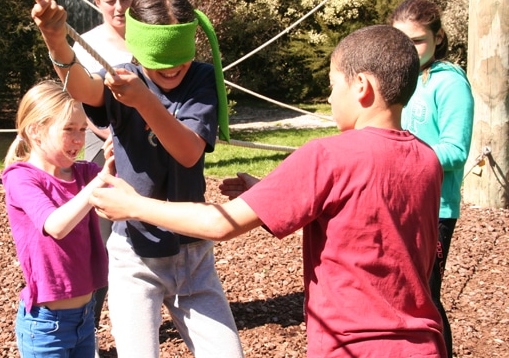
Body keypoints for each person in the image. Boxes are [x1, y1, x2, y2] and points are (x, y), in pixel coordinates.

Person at [90, 25, 449, 357]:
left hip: (353, 347)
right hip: (423, 344)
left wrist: (134, 205)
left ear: (361, 86)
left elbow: (221, 225)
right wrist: (269, 192)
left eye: (333, 84)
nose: (328, 96)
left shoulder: (327, 155)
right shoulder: (427, 160)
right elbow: (366, 216)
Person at [31, 0, 242, 357]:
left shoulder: (201, 79)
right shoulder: (122, 77)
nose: (173, 69)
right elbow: (81, 86)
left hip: (193, 254)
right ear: (139, 49)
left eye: (180, 58)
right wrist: (55, 40)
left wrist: (145, 101)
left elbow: (189, 151)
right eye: (159, 62)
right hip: (134, 255)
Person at [1, 80, 113, 357]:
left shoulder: (85, 173)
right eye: (69, 130)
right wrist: (98, 183)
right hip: (45, 326)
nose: (79, 140)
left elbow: (132, 192)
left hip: (85, 319)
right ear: (35, 131)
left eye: (83, 130)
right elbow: (56, 225)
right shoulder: (20, 176)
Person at [389, 0, 475, 358]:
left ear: (438, 37)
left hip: (434, 208)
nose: (409, 50)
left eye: (417, 41)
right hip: (395, 200)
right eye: (400, 41)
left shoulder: (449, 82)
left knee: (426, 297)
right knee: (399, 294)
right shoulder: (397, 78)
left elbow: (455, 150)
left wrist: (400, 160)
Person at [70, 0, 135, 347]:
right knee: (102, 234)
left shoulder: (148, 37)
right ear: (97, 2)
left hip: (151, 142)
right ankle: (88, 326)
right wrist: (108, 132)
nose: (119, 8)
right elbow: (80, 99)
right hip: (102, 141)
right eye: (111, 1)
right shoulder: (86, 42)